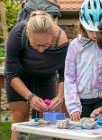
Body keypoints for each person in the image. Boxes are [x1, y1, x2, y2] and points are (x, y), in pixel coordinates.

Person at [5, 10, 69, 140]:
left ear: (52, 35)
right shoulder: (18, 34)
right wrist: (30, 97)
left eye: (45, 45)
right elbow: (11, 73)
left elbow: (65, 74)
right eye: (35, 45)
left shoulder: (61, 40)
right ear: (28, 34)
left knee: (46, 118)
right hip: (20, 78)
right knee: (20, 117)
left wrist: (60, 96)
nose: (40, 50)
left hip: (46, 78)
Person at [64, 0, 102, 122]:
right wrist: (73, 106)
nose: (95, 35)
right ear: (82, 25)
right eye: (91, 30)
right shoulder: (75, 46)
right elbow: (69, 77)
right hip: (81, 101)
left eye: (98, 30)